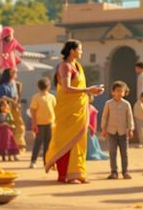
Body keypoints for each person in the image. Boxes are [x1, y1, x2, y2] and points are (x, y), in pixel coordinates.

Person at [44, 40, 104, 183]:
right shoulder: (65, 67)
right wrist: (89, 90)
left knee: (79, 142)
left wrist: (91, 91)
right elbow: (66, 88)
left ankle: (77, 173)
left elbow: (77, 89)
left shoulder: (77, 66)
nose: (81, 52)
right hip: (67, 111)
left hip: (78, 110)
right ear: (72, 51)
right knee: (67, 141)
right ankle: (65, 175)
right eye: (80, 49)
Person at [101, 81, 134, 179]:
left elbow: (129, 117)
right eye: (117, 91)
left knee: (124, 153)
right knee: (112, 152)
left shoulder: (126, 104)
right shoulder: (108, 104)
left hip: (123, 132)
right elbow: (104, 117)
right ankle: (114, 172)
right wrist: (103, 128)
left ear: (124, 92)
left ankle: (125, 171)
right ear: (113, 92)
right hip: (111, 132)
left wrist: (131, 129)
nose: (119, 93)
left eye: (121, 91)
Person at [28, 77, 56, 169]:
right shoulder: (36, 97)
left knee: (48, 144)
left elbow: (55, 109)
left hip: (50, 124)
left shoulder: (51, 97)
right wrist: (34, 123)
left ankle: (46, 161)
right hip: (40, 124)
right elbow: (33, 110)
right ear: (48, 86)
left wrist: (55, 122)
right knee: (38, 143)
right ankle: (33, 161)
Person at [0, 67, 26, 147]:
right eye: (13, 72)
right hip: (7, 108)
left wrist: (16, 101)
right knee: (10, 127)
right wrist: (12, 101)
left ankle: (19, 144)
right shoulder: (3, 85)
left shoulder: (16, 84)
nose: (15, 74)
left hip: (15, 108)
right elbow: (2, 97)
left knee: (20, 125)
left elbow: (16, 95)